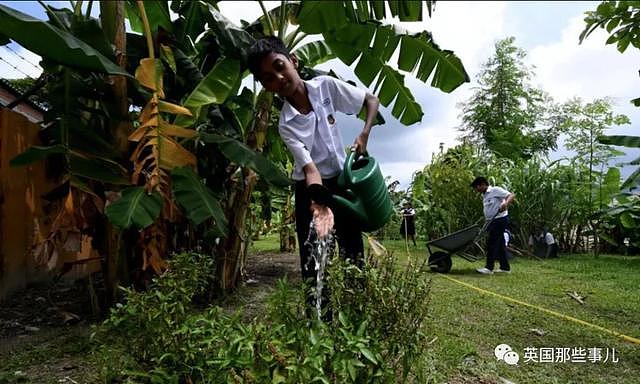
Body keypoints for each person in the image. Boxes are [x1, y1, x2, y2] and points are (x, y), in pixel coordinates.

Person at [247, 36, 380, 304]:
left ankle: (356, 315)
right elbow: (310, 169)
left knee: (353, 253)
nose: (279, 77)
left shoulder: (326, 87)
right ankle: (319, 323)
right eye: (269, 78)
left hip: (342, 183)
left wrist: (364, 133)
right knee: (315, 262)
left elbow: (371, 100)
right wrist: (319, 201)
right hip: (311, 189)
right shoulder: (286, 125)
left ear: (293, 61)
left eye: (280, 65)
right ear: (268, 87)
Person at [471, 177, 515, 274]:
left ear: (482, 184)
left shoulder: (495, 190)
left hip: (499, 220)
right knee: (500, 245)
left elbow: (511, 195)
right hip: (491, 221)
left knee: (492, 243)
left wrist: (506, 204)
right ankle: (505, 268)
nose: (476, 190)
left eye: (476, 187)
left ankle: (489, 268)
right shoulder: (485, 195)